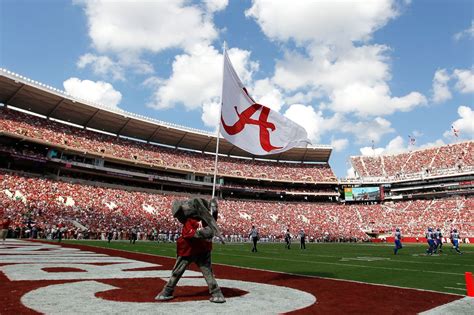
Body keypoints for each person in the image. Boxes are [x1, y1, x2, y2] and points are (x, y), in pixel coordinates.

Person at [156, 198, 225, 303]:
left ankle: (167, 291)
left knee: (178, 271)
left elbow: (190, 233)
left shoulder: (190, 221)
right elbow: (205, 229)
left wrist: (205, 231)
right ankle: (217, 293)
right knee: (207, 272)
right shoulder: (203, 221)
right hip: (202, 249)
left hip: (189, 251)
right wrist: (205, 232)